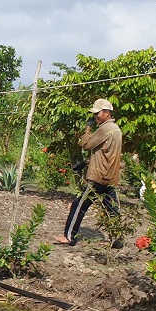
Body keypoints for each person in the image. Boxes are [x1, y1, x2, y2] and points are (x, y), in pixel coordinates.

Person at [55, 98, 124, 249]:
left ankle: (69, 236)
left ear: (106, 113)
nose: (95, 117)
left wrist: (87, 129)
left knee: (78, 205)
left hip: (98, 177)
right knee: (112, 209)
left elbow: (86, 145)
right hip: (110, 177)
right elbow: (105, 153)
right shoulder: (117, 130)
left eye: (97, 113)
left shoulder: (105, 129)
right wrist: (87, 162)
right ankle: (117, 240)